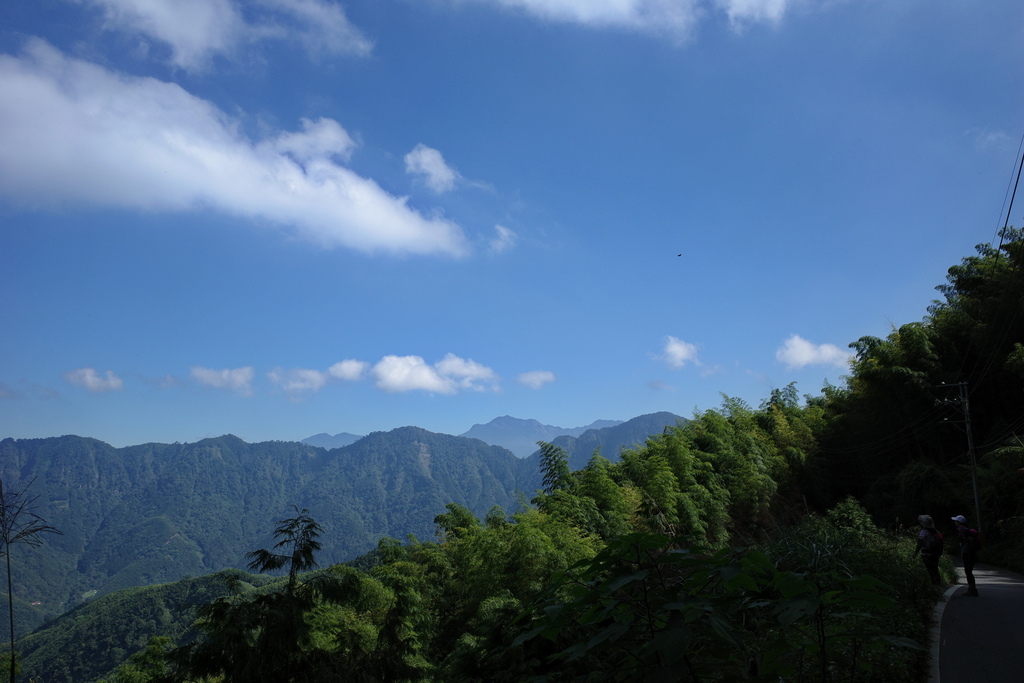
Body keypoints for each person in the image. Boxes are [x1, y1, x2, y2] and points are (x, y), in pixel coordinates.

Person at [952, 515, 980, 596]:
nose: (955, 522)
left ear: (959, 522)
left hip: (968, 553)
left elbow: (968, 542)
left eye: (956, 521)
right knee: (968, 571)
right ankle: (971, 589)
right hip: (970, 552)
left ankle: (972, 590)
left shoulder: (962, 529)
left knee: (968, 570)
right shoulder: (964, 529)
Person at [912, 514, 943, 585]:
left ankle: (932, 586)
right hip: (935, 554)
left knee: (929, 571)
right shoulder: (936, 532)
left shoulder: (924, 532)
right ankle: (937, 584)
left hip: (926, 554)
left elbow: (919, 544)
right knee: (934, 569)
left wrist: (915, 554)